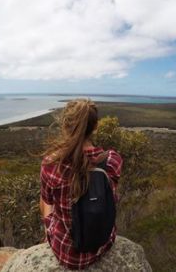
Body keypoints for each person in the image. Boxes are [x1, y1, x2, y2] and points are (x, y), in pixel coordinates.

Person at [39, 98, 123, 270]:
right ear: (95, 126)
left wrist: (48, 227)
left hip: (67, 253)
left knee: (45, 199)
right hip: (102, 244)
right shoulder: (113, 160)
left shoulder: (51, 164)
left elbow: (46, 203)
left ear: (65, 126)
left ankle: (50, 233)